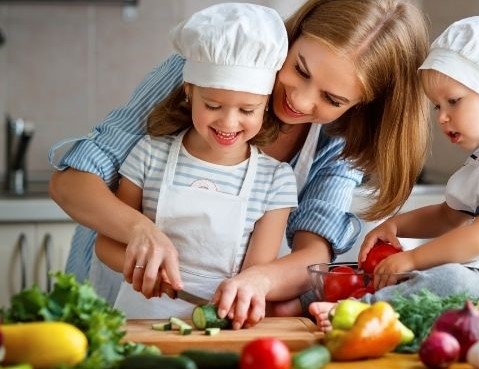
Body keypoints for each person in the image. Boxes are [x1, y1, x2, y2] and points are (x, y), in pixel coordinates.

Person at [48, 0, 430, 328]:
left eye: (331, 99)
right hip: (114, 293)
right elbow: (70, 183)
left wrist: (259, 282)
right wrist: (140, 232)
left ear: (359, 106)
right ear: (294, 36)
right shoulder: (213, 61)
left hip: (216, 313)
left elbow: (314, 251)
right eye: (300, 69)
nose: (299, 100)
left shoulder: (339, 136)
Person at [310, 15, 479, 330]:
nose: (442, 117)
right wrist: (395, 224)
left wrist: (412, 258)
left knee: (450, 277)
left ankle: (360, 312)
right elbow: (449, 216)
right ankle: (368, 306)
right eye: (438, 106)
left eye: (453, 101)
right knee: (437, 274)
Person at [92, 3, 297, 319]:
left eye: (247, 110)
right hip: (139, 316)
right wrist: (145, 273)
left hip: (221, 323)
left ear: (266, 104)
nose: (229, 123)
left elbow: (254, 277)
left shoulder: (275, 180)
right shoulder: (150, 153)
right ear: (189, 91)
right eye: (213, 105)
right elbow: (106, 245)